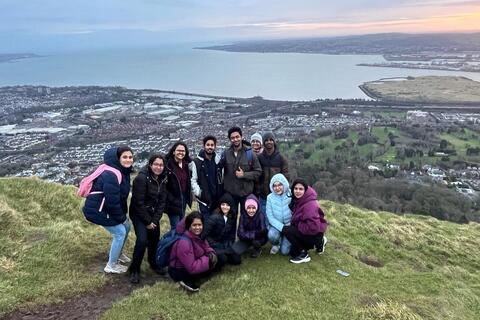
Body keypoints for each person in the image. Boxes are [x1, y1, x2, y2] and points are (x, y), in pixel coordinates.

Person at [82, 146, 133, 274]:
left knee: (127, 226)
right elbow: (112, 201)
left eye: (130, 157)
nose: (128, 160)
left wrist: (123, 217)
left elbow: (120, 198)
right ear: (117, 159)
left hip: (104, 208)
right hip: (97, 210)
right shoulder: (111, 174)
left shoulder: (121, 171)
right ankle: (111, 265)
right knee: (120, 232)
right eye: (124, 157)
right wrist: (120, 217)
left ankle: (118, 254)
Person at [128, 154, 168, 283]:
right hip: (139, 214)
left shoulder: (163, 178)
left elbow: (162, 202)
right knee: (142, 240)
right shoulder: (141, 178)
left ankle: (153, 263)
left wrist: (155, 220)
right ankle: (134, 269)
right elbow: (138, 203)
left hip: (153, 214)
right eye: (156, 164)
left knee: (154, 239)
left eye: (161, 165)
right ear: (150, 165)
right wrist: (148, 222)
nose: (158, 167)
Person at [220, 126, 262, 239]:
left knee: (247, 218)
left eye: (237, 137)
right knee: (230, 219)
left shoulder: (250, 153)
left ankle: (247, 241)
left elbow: (258, 172)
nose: (235, 139)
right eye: (232, 138)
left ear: (241, 137)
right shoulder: (225, 154)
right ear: (230, 139)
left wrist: (244, 175)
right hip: (231, 193)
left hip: (246, 193)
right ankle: (230, 241)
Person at [169, 211, 219, 292]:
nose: (197, 228)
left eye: (200, 225)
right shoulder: (184, 242)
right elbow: (192, 268)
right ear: (189, 226)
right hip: (179, 270)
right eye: (194, 225)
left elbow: (206, 247)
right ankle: (184, 281)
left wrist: (211, 253)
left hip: (190, 264)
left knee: (218, 259)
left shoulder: (198, 235)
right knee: (210, 265)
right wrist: (208, 259)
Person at [283, 179, 328, 264]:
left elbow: (313, 227)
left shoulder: (310, 205)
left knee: (286, 230)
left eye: (301, 189)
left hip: (313, 234)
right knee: (293, 253)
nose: (297, 191)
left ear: (305, 190)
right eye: (295, 188)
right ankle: (320, 242)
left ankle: (304, 254)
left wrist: (297, 225)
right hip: (310, 233)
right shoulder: (300, 200)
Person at [202, 193, 242, 266]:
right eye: (223, 204)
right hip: (213, 245)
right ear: (220, 205)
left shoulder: (231, 217)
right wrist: (216, 244)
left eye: (227, 205)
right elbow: (205, 235)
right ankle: (214, 256)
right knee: (222, 259)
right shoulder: (213, 217)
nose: (225, 207)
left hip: (224, 245)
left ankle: (224, 254)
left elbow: (231, 235)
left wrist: (228, 244)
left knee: (237, 260)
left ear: (231, 206)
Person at [190, 135, 223, 220]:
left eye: (212, 145)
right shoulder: (197, 162)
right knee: (205, 225)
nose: (210, 147)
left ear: (215, 146)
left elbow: (221, 178)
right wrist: (199, 193)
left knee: (215, 226)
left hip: (216, 200)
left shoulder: (217, 161)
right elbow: (193, 180)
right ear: (204, 146)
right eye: (208, 145)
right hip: (204, 201)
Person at [258, 131, 289, 216]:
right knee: (264, 220)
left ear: (274, 141)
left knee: (276, 218)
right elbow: (257, 174)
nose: (269, 142)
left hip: (277, 196)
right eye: (266, 140)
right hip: (263, 196)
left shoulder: (281, 158)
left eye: (271, 140)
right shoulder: (259, 158)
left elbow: (286, 177)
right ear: (263, 142)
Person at [165, 141, 193, 231]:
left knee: (181, 224)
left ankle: (179, 243)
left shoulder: (187, 165)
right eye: (179, 150)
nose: (181, 153)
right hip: (172, 199)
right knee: (175, 227)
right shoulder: (168, 165)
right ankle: (172, 243)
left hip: (183, 197)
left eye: (183, 151)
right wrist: (170, 198)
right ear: (173, 151)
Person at [233, 194, 268, 258]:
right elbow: (240, 233)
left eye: (253, 208)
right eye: (249, 208)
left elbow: (263, 231)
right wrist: (254, 234)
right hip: (247, 238)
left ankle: (257, 249)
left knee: (255, 242)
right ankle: (248, 245)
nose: (251, 210)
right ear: (246, 208)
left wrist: (248, 234)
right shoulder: (243, 216)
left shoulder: (261, 215)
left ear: (257, 207)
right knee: (235, 251)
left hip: (258, 239)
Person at [265, 173, 291, 255]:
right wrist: (282, 227)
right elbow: (270, 217)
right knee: (272, 235)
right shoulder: (269, 197)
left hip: (290, 225)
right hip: (276, 226)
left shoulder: (291, 194)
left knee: (285, 252)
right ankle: (276, 244)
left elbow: (296, 212)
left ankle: (286, 239)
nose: (277, 188)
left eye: (280, 185)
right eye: (274, 186)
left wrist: (289, 225)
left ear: (284, 184)